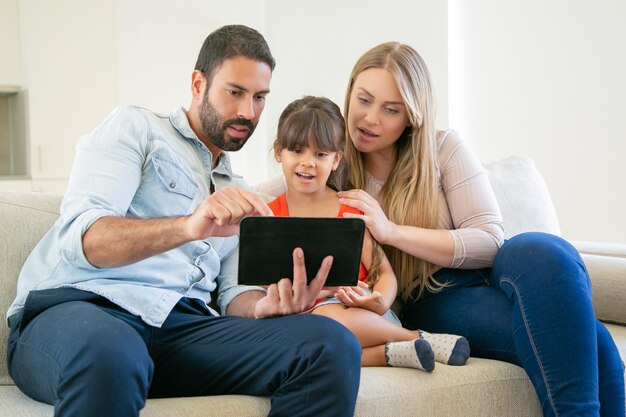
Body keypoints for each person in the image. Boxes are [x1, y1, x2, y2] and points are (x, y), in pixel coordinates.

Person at [5, 25, 361, 417]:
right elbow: (87, 239)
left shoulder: (242, 193)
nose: (248, 112)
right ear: (198, 83)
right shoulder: (136, 129)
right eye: (235, 92)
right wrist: (190, 225)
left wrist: (265, 307)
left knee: (330, 344)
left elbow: (231, 295)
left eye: (260, 97)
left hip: (182, 331)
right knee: (111, 352)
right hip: (84, 311)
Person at [336, 42, 625, 417]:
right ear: (349, 94)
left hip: (493, 272)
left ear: (412, 116)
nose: (370, 118)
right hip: (434, 298)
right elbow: (273, 193)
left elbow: (489, 240)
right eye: (364, 100)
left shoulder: (443, 149)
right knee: (597, 343)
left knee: (543, 249)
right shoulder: (331, 162)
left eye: (390, 109)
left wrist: (391, 232)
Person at [268, 95, 470, 372]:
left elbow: (384, 274)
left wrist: (379, 301)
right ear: (279, 151)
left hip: (363, 315)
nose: (308, 163)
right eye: (297, 150)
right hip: (301, 321)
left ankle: (415, 337)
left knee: (328, 320)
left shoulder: (350, 210)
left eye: (321, 154)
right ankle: (392, 352)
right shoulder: (267, 216)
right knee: (300, 344)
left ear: (336, 160)